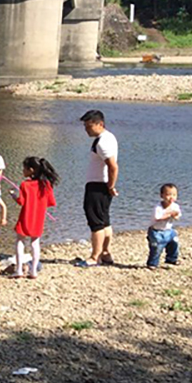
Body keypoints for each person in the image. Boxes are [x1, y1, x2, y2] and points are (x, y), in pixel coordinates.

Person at [76, 110, 119, 267]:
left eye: (89, 126)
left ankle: (95, 257)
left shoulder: (102, 143)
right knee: (104, 220)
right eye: (85, 126)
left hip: (98, 186)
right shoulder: (108, 137)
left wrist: (111, 186)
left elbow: (113, 167)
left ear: (100, 124)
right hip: (102, 185)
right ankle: (105, 253)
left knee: (96, 222)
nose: (86, 130)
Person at [10, 157, 59, 279]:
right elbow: (50, 202)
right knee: (35, 242)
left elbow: (21, 202)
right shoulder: (46, 184)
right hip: (39, 216)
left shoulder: (25, 184)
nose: (23, 171)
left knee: (20, 240)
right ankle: (33, 272)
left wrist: (13, 195)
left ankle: (19, 270)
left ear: (31, 170)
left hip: (26, 215)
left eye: (24, 169)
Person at [147, 184, 181, 270]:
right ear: (162, 195)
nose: (171, 197)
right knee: (156, 247)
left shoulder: (175, 206)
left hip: (169, 230)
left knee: (174, 243)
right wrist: (169, 214)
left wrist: (175, 215)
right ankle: (153, 263)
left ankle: (171, 259)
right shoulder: (158, 207)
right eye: (168, 195)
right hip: (156, 231)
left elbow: (177, 216)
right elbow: (157, 218)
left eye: (174, 195)